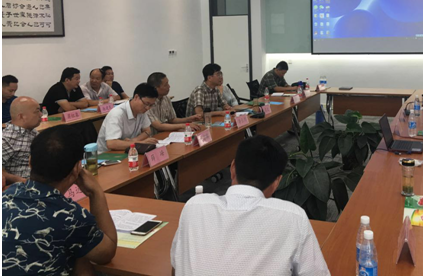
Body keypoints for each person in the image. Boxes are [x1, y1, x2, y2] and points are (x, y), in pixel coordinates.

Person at [170, 135, 330, 276]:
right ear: (277, 182)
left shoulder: (194, 206)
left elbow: (176, 264)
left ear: (233, 168)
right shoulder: (293, 216)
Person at [2, 125, 117, 275]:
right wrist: (96, 193)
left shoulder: (7, 194)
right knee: (82, 258)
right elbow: (106, 253)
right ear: (77, 168)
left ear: (30, 162)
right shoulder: (71, 216)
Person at [96, 83, 159, 153]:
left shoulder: (142, 111)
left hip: (128, 149)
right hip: (107, 154)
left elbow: (147, 131)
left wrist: (133, 141)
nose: (147, 108)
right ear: (136, 97)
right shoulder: (117, 113)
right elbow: (111, 144)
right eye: (146, 103)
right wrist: (139, 143)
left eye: (151, 105)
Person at [2, 97, 42, 185]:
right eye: (36, 112)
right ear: (21, 116)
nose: (41, 114)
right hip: (24, 186)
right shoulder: (7, 138)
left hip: (42, 179)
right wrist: (22, 180)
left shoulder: (32, 131)